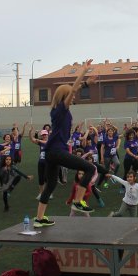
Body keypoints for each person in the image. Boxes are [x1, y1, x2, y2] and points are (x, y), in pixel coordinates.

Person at [34, 59, 98, 228]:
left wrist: (85, 83)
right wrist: (83, 73)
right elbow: (73, 90)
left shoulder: (57, 111)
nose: (74, 96)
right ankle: (77, 201)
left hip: (50, 153)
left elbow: (73, 91)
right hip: (57, 151)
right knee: (90, 168)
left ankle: (39, 218)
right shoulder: (62, 109)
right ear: (65, 97)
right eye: (71, 95)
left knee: (51, 185)